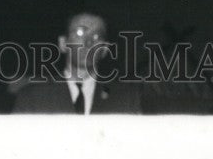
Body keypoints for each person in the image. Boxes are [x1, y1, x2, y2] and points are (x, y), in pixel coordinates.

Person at [12, 11, 140, 115]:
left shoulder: (126, 100)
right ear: (63, 44)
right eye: (79, 33)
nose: (88, 42)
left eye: (96, 36)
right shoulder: (32, 98)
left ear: (105, 49)